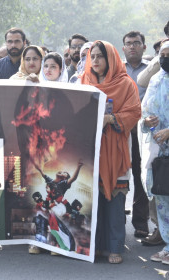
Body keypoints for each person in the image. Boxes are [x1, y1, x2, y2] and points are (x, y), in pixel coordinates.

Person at [81, 40, 141, 264]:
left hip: (116, 149)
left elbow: (135, 112)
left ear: (111, 58)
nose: (95, 61)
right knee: (92, 200)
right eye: (92, 56)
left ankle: (115, 247)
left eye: (100, 56)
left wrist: (112, 118)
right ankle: (94, 246)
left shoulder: (126, 84)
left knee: (115, 199)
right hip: (90, 149)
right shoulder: (83, 81)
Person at [142, 41, 169, 264]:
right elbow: (145, 113)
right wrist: (147, 121)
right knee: (162, 198)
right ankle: (167, 246)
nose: (166, 58)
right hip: (159, 153)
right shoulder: (155, 79)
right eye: (163, 54)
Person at [122, 31, 150, 238]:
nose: (133, 46)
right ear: (123, 48)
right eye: (129, 44)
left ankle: (141, 222)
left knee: (141, 177)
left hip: (143, 132)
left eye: (137, 43)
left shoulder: (152, 72)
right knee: (119, 176)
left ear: (144, 47)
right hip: (120, 130)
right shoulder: (116, 71)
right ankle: (116, 221)